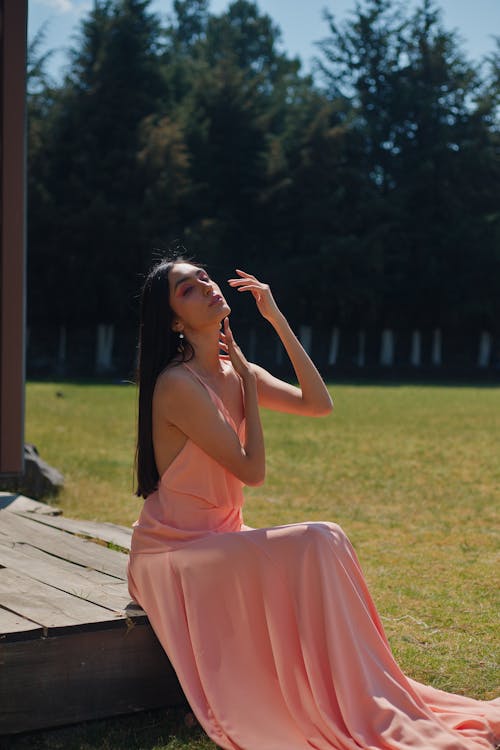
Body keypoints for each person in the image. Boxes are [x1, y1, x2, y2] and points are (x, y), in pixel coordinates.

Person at [128, 256, 499, 750]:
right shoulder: (178, 384)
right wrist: (248, 389)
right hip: (173, 555)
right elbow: (252, 472)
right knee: (319, 537)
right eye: (187, 290)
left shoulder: (234, 369)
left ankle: (359, 689)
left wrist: (275, 318)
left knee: (329, 537)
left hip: (220, 543)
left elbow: (318, 403)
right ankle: (346, 698)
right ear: (174, 321)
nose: (206, 286)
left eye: (204, 278)